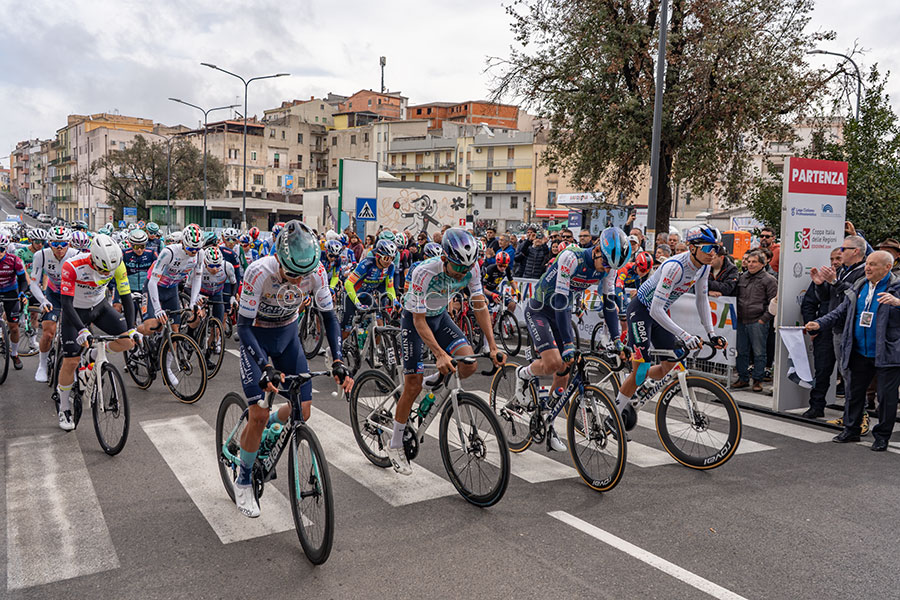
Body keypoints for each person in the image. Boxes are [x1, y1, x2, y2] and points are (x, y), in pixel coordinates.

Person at [233, 220, 352, 516]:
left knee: (304, 410)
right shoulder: (258, 271)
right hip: (257, 337)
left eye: (304, 276)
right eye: (292, 275)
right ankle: (243, 480)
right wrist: (264, 366)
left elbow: (329, 318)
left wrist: (337, 359)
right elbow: (243, 327)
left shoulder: (318, 271)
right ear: (279, 260)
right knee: (258, 415)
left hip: (287, 336)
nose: (299, 282)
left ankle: (269, 426)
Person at [394, 228, 504, 475]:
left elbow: (478, 304)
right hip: (415, 320)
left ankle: (434, 384)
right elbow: (419, 321)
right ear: (444, 259)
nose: (463, 274)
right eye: (459, 268)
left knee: (468, 363)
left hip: (440, 316)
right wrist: (439, 354)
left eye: (468, 268)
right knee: (412, 384)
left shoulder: (472, 268)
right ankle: (394, 444)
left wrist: (492, 345)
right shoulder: (424, 272)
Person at [514, 227, 632, 451]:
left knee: (565, 369)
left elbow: (609, 303)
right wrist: (567, 344)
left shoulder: (609, 268)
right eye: (605, 263)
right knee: (554, 362)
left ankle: (548, 422)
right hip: (540, 309)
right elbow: (559, 300)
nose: (607, 269)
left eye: (612, 267)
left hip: (563, 310)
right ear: (597, 249)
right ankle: (523, 374)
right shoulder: (572, 257)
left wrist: (617, 340)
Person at [616, 226, 727, 429]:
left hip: (659, 312)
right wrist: (684, 335)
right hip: (642, 310)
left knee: (669, 366)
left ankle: (634, 379)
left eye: (716, 248)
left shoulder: (704, 265)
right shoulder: (675, 266)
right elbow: (655, 309)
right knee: (640, 370)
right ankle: (613, 417)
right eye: (709, 248)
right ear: (693, 248)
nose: (714, 253)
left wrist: (711, 333)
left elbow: (702, 300)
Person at [806, 251, 900, 451]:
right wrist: (819, 323)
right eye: (867, 263)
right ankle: (851, 430)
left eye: (873, 265)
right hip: (859, 350)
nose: (868, 267)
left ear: (887, 268)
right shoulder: (860, 286)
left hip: (887, 353)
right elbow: (840, 312)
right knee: (854, 392)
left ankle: (882, 436)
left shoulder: (896, 288)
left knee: (885, 398)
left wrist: (898, 303)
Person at [56, 234, 139, 430]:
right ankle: (64, 407)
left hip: (100, 307)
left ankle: (94, 353)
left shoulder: (117, 263)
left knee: (127, 341)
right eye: (102, 270)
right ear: (92, 257)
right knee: (71, 361)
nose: (105, 274)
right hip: (74, 312)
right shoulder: (72, 266)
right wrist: (82, 330)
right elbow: (65, 304)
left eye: (108, 271)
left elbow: (126, 296)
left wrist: (133, 327)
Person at [138, 225, 204, 386]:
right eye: (190, 248)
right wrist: (158, 309)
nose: (193, 252)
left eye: (197, 248)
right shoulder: (169, 252)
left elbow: (197, 277)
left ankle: (167, 368)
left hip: (171, 289)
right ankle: (136, 334)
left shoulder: (199, 254)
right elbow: (153, 281)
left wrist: (193, 301)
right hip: (154, 287)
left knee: (174, 330)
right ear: (182, 243)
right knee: (153, 325)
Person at [811, 235, 868, 409]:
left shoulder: (863, 271)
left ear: (856, 251)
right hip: (833, 325)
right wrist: (820, 284)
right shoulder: (843, 270)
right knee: (833, 370)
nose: (840, 253)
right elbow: (827, 298)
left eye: (843, 249)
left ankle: (858, 415)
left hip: (848, 328)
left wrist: (835, 282)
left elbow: (853, 295)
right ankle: (847, 414)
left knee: (850, 374)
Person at [30, 226, 79, 382]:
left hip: (72, 294)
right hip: (53, 294)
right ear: (49, 243)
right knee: (48, 332)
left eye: (63, 244)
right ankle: (42, 365)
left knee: (80, 331)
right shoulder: (41, 256)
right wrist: (43, 300)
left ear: (69, 244)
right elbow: (33, 283)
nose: (60, 248)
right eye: (56, 243)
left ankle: (79, 365)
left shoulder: (76, 255)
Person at [800, 247, 842, 418]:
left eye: (838, 258)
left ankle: (855, 414)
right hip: (824, 330)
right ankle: (817, 406)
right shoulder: (822, 276)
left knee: (849, 372)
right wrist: (812, 325)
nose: (834, 262)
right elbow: (809, 303)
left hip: (844, 330)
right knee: (822, 370)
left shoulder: (851, 277)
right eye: (832, 258)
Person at [733, 250, 777, 392]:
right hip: (741, 320)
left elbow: (774, 302)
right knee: (741, 351)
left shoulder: (769, 280)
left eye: (754, 262)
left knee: (759, 353)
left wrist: (764, 320)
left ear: (762, 264)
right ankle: (743, 378)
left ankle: (758, 380)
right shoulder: (742, 278)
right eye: (749, 261)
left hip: (758, 321)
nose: (750, 264)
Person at [341, 239, 397, 337]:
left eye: (392, 258)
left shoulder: (390, 267)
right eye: (386, 258)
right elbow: (348, 283)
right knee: (347, 329)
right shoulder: (367, 264)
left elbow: (389, 287)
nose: (389, 262)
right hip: (351, 295)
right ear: (378, 256)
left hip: (367, 295)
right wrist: (356, 302)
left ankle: (377, 351)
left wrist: (395, 301)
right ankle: (338, 349)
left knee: (380, 324)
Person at [0, 233, 28, 371]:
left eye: (1, 249)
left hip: (10, 291)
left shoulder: (14, 260)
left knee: (14, 327)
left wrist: (22, 293)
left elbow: (23, 280)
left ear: (5, 249)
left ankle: (15, 353)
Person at [122, 228, 158, 308]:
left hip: (146, 289)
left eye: (142, 246)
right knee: (129, 315)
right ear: (131, 244)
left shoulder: (151, 253)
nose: (139, 250)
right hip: (130, 289)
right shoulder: (125, 254)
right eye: (136, 246)